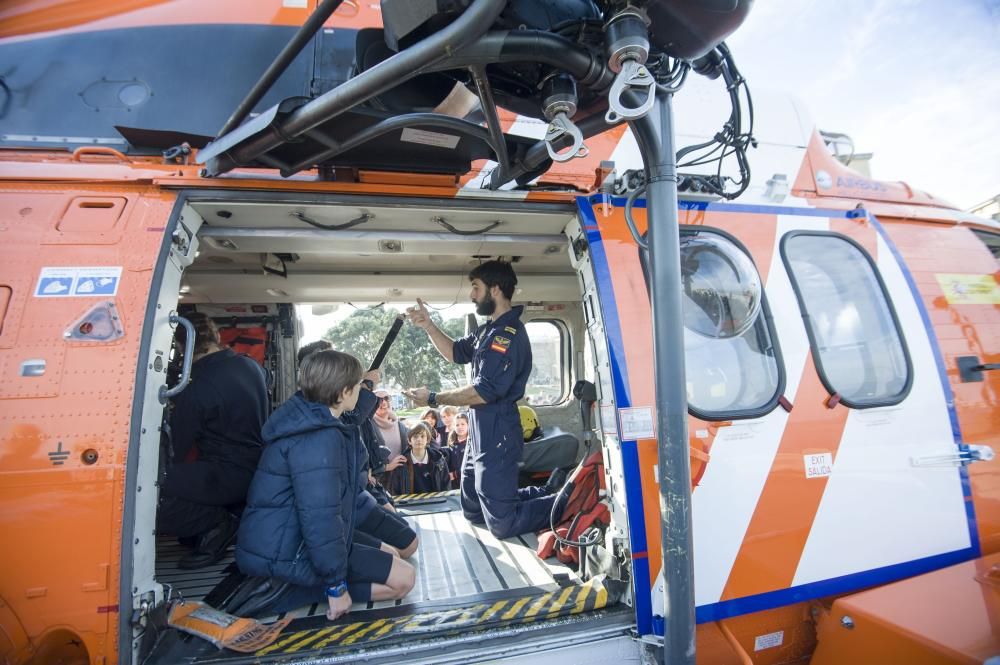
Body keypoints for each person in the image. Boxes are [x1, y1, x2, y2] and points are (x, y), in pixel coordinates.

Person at [236, 350, 415, 619]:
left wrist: (365, 387)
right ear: (343, 393)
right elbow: (320, 518)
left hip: (290, 537)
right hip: (286, 551)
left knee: (394, 552)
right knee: (404, 580)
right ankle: (296, 591)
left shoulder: (311, 414)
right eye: (357, 386)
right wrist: (335, 587)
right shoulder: (318, 438)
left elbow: (353, 417)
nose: (361, 391)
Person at [404, 260, 565, 539]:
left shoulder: (508, 334)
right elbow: (455, 352)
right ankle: (548, 490)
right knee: (473, 510)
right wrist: (429, 326)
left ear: (496, 289)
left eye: (476, 288)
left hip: (498, 428)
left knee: (502, 524)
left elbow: (484, 391)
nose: (472, 295)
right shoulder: (486, 331)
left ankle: (568, 500)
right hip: (480, 427)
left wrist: (432, 398)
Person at [158, 312, 269, 569]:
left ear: (180, 348)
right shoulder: (251, 366)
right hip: (258, 468)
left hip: (225, 475)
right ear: (218, 337)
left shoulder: (197, 387)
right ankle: (205, 525)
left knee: (148, 489)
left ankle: (217, 524)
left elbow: (176, 447)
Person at [297, 341, 418, 559]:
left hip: (359, 491)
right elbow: (352, 419)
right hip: (342, 507)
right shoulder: (315, 421)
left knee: (407, 541)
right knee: (395, 555)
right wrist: (367, 386)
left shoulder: (329, 413)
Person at [387, 422, 450, 495]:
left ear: (428, 440)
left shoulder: (438, 459)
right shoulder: (401, 463)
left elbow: (446, 484)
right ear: (409, 441)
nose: (419, 439)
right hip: (410, 503)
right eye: (415, 436)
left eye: (422, 436)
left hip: (435, 502)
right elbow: (394, 489)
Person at [445, 412, 470, 490]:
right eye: (457, 425)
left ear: (468, 425)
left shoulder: (472, 443)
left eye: (463, 424)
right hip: (455, 484)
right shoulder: (452, 442)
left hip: (469, 480)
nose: (460, 427)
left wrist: (456, 474)